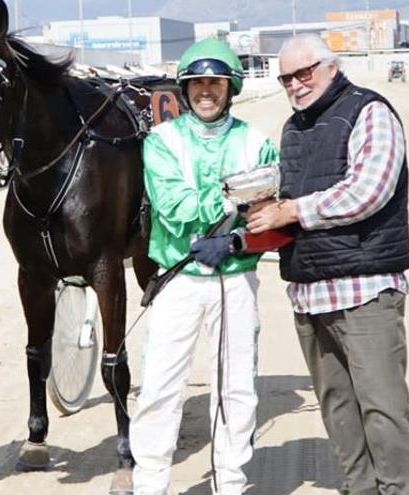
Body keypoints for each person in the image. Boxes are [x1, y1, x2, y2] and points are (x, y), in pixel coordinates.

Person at [248, 33, 409, 495]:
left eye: (303, 73)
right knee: (336, 404)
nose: (295, 84)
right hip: (309, 289)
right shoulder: (293, 128)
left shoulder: (370, 111)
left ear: (331, 66)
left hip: (364, 288)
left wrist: (291, 211)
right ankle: (361, 487)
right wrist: (256, 224)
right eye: (285, 77)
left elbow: (369, 190)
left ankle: (400, 488)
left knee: (382, 404)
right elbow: (285, 202)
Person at [129, 38, 278, 495]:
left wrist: (234, 235)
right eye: (197, 82)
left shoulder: (257, 142)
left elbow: (270, 216)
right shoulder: (161, 141)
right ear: (185, 88)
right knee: (159, 388)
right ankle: (149, 483)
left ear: (230, 86)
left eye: (215, 81)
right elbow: (174, 207)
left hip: (235, 280)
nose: (206, 90)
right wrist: (237, 193)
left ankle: (230, 482)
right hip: (179, 280)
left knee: (235, 388)